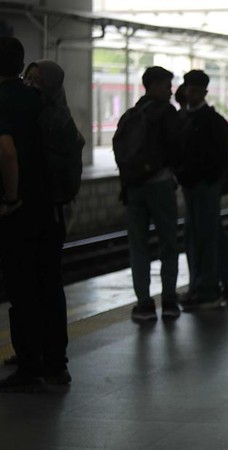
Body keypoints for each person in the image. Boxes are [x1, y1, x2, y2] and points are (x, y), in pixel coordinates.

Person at [0, 38, 70, 391]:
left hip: (18, 212)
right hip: (49, 209)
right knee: (50, 287)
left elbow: (7, 151)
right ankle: (56, 364)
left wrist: (11, 198)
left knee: (22, 291)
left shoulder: (3, 100)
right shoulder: (39, 100)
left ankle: (29, 366)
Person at [117, 66, 182, 322]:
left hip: (133, 187)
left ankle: (144, 304)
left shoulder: (131, 114)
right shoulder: (167, 113)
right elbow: (177, 148)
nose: (170, 91)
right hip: (160, 185)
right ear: (153, 86)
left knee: (138, 247)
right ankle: (168, 302)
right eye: (167, 86)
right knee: (168, 244)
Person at [175, 70, 228, 310]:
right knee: (193, 237)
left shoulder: (213, 121)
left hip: (207, 186)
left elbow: (222, 157)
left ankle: (208, 289)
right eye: (191, 89)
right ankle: (199, 285)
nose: (194, 94)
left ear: (205, 93)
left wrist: (216, 181)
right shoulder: (184, 118)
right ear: (185, 90)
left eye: (199, 90)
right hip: (191, 186)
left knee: (206, 237)